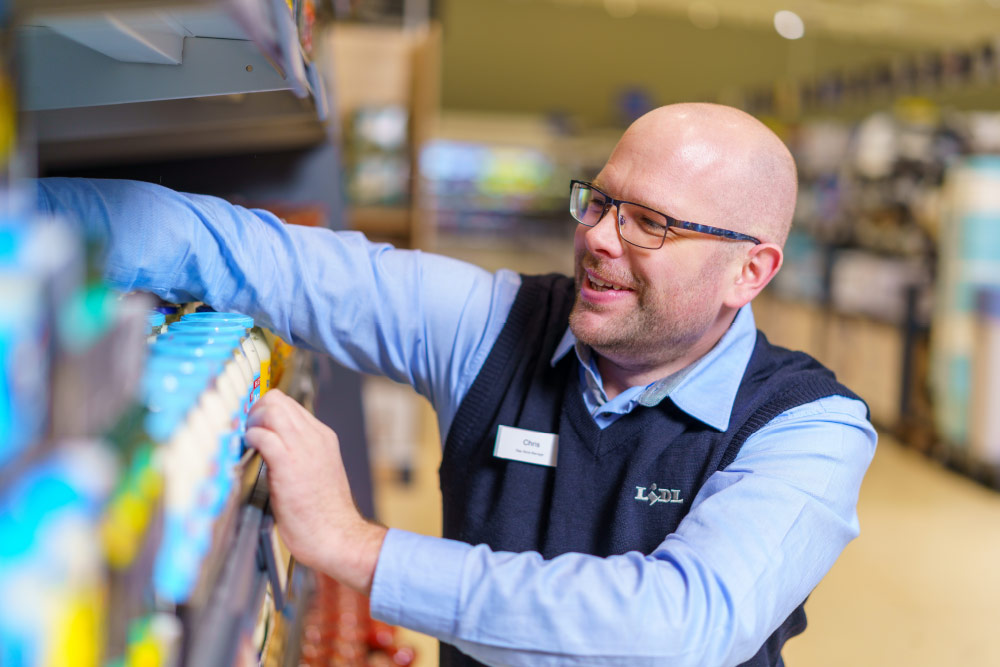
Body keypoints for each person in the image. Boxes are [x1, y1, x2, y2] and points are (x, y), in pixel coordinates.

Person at [37, 103, 877, 667]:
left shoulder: (807, 426)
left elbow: (679, 625)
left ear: (751, 269)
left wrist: (358, 547)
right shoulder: (495, 326)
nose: (599, 240)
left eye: (649, 222)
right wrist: (23, 216)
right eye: (599, 201)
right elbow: (243, 254)